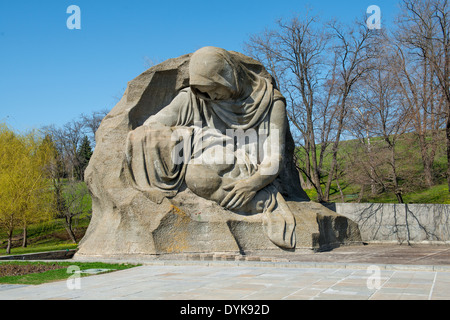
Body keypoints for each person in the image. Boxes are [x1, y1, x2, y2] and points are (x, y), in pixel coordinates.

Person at [125, 46, 296, 249]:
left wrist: (252, 184)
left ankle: (256, 199)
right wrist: (190, 136)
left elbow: (274, 158)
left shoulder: (271, 102)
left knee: (205, 169)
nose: (211, 97)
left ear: (229, 77)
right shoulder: (194, 98)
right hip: (205, 157)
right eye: (205, 92)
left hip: (247, 168)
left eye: (215, 90)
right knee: (196, 172)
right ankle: (247, 202)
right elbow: (153, 126)